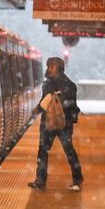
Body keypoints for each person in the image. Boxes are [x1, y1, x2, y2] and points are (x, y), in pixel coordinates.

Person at [28, 57, 84, 191]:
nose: (49, 69)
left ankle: (76, 178)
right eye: (48, 66)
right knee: (44, 151)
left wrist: (56, 97)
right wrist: (39, 108)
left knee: (67, 150)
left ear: (59, 68)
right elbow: (45, 102)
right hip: (51, 122)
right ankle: (41, 180)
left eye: (52, 66)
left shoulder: (68, 85)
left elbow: (65, 103)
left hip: (62, 123)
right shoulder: (50, 84)